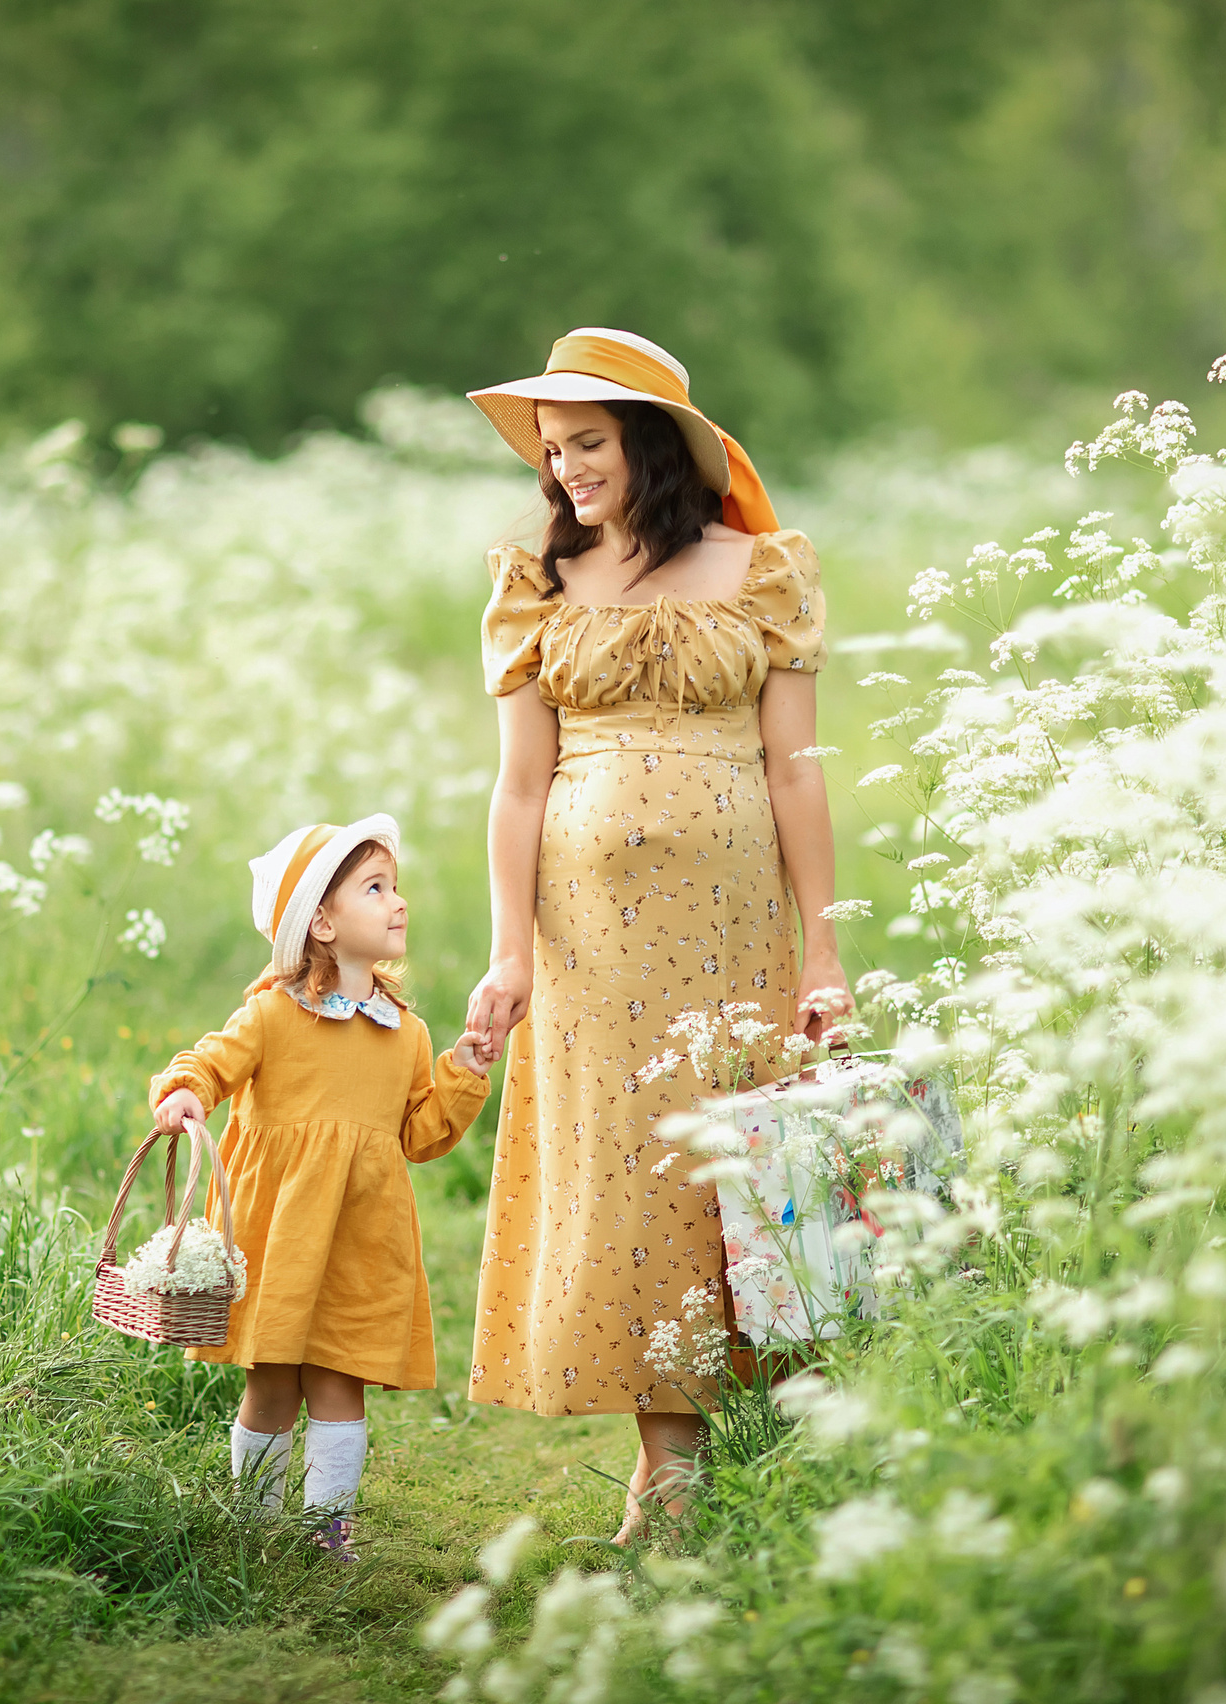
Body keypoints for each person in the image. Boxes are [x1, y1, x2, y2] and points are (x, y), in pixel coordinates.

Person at [460, 328, 853, 1543]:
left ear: (651, 446)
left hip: (731, 923)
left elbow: (795, 771)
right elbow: (519, 787)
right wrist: (509, 951)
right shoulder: (541, 583)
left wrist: (822, 952)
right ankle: (664, 1469)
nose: (566, 468)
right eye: (554, 449)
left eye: (588, 444)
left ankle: (778, 1449)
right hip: (588, 939)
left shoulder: (761, 570)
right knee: (627, 1177)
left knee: (724, 1165)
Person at [149, 814, 493, 1558]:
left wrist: (463, 1072)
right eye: (375, 888)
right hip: (279, 1234)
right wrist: (184, 1091)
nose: (398, 902)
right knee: (273, 1380)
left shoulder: (406, 1033)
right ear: (323, 924)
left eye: (396, 887)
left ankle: (326, 1529)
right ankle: (254, 1522)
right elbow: (211, 1062)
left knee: (340, 1380)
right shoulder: (273, 1015)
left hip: (361, 1237)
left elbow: (419, 1135)